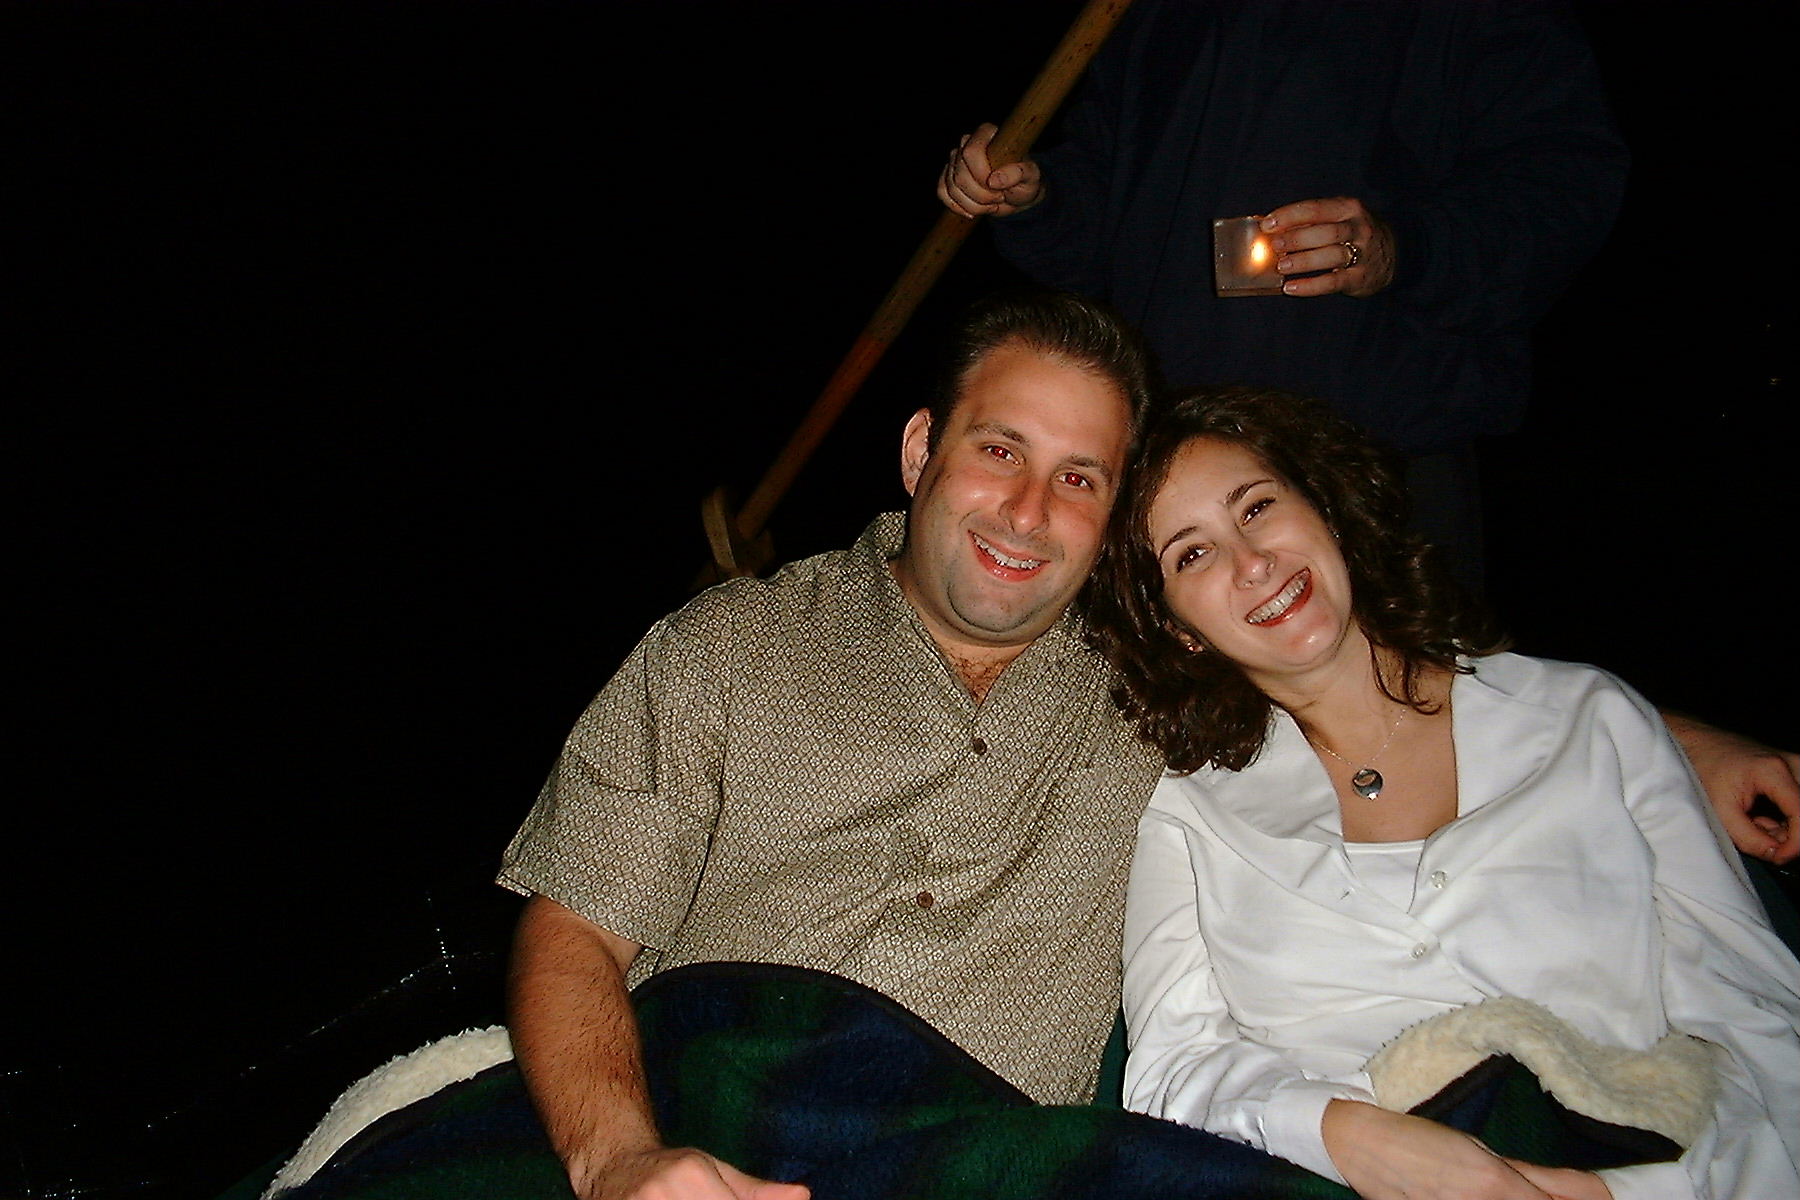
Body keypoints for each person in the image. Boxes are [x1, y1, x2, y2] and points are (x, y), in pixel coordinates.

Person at [498, 291, 1795, 1200]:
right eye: (1000, 450)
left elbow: (1352, 668)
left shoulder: (1145, 687)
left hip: (990, 1155)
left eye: (1081, 478)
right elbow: (574, 934)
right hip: (705, 1100)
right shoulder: (723, 650)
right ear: (920, 449)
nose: (1028, 509)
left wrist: (1656, 737)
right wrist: (619, 1161)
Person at [1085, 387, 1800, 1199]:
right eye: (1193, 555)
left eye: (1256, 508)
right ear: (1179, 629)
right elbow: (1173, 1070)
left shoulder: (1589, 720)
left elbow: (1760, 1028)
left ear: (1324, 508)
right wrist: (1350, 1137)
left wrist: (1623, 1194)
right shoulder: (1185, 812)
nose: (1252, 562)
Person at [937, 0, 1631, 587]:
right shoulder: (1146, 14)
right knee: (1165, 707)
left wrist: (1403, 248)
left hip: (1372, 467)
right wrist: (1035, 197)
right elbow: (1102, 226)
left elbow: (1563, 188)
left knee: (1401, 698)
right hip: (1169, 466)